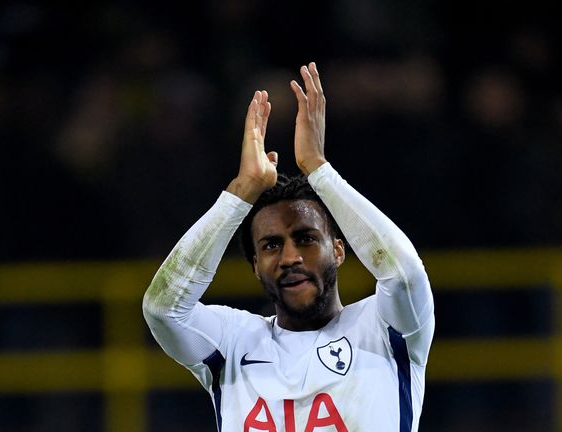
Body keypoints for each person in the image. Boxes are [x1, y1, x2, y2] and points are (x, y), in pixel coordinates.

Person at [143, 62, 434, 431]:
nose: (290, 257)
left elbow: (405, 274)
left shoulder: (385, 328)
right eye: (270, 246)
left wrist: (319, 170)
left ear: (339, 250)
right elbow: (162, 308)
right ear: (254, 265)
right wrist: (242, 192)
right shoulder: (233, 343)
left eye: (307, 239)